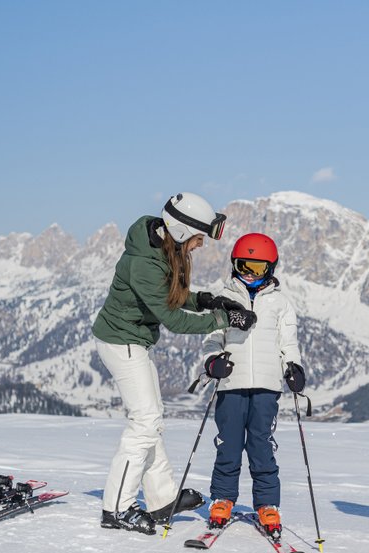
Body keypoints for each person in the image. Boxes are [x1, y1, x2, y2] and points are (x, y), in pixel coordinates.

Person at [93, 192, 258, 535]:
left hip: (133, 341)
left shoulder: (160, 249)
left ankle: (162, 499)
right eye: (198, 238)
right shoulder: (144, 262)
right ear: (181, 232)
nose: (199, 245)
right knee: (144, 422)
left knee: (152, 422)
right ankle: (117, 508)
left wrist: (207, 300)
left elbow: (175, 297)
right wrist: (224, 320)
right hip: (121, 342)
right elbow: (174, 320)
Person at [200, 232, 305, 539]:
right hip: (230, 383)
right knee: (228, 444)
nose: (249, 273)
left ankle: (268, 504)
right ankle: (222, 499)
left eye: (257, 268)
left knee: (261, 445)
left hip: (267, 386)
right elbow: (211, 338)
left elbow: (289, 343)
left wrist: (293, 367)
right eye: (244, 265)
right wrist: (212, 362)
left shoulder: (281, 303)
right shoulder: (223, 297)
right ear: (234, 264)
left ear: (270, 269)